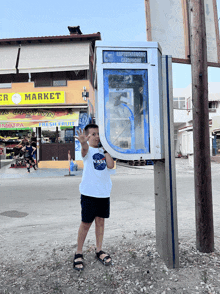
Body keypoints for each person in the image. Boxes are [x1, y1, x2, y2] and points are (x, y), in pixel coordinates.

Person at [73, 123, 114, 271]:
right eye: (93, 134)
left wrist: (105, 147)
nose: (96, 137)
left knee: (100, 222)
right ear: (87, 136)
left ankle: (99, 250)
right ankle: (78, 252)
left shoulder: (104, 150)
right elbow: (84, 150)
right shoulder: (87, 150)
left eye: (98, 134)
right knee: (86, 223)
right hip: (89, 193)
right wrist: (83, 143)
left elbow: (110, 165)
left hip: (103, 193)